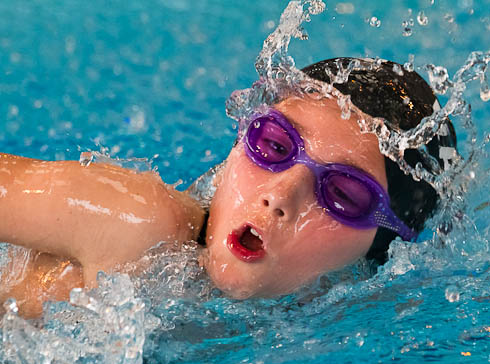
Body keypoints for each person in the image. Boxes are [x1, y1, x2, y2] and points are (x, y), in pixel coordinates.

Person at [0, 57, 457, 318]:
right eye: (274, 145)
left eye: (342, 194)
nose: (279, 196)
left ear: (384, 246)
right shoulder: (138, 224)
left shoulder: (360, 317)